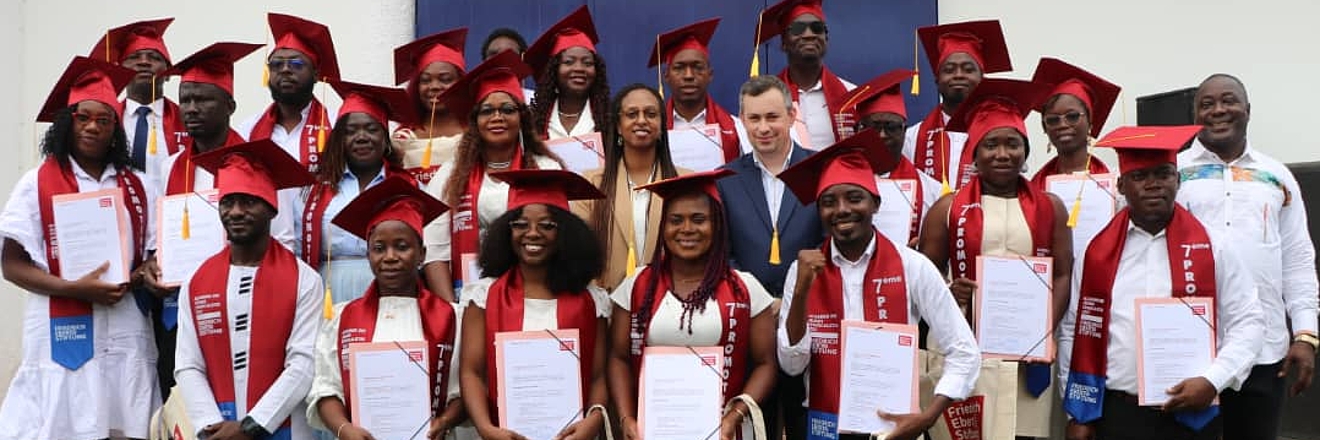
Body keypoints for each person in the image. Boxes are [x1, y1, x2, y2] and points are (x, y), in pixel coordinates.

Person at [1060, 125, 1266, 440]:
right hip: (1116, 415)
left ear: (1178, 180)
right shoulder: (1096, 252)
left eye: (1164, 174)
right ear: (1121, 186)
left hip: (1193, 413)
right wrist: (1076, 411)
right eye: (1140, 177)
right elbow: (1074, 329)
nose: (1153, 185)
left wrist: (1213, 380)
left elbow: (1248, 322)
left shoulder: (1214, 246)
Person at [776, 130, 981, 440]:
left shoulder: (912, 266)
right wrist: (803, 290)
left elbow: (965, 352)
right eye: (829, 202)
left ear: (876, 203)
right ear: (820, 212)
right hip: (824, 427)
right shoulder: (802, 271)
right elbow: (792, 364)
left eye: (854, 198)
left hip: (895, 430)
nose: (842, 209)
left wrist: (927, 417)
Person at [0, 57, 158, 439]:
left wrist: (140, 275)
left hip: (124, 321)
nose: (92, 127)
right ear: (66, 123)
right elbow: (11, 264)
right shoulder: (36, 182)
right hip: (59, 320)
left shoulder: (137, 185)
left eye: (104, 121)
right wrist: (75, 289)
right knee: (62, 422)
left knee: (124, 420)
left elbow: (154, 255)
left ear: (115, 129)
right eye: (82, 117)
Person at [917, 79, 1071, 439]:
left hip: (1027, 356)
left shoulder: (1051, 207)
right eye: (991, 145)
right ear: (974, 153)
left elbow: (1063, 274)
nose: (1003, 154)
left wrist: (1043, 326)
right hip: (962, 345)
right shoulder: (947, 208)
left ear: (1025, 150)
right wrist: (948, 294)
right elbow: (925, 276)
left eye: (1013, 144)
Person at [147, 41, 301, 398]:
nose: (191, 109)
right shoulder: (170, 167)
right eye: (185, 99)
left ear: (230, 106)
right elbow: (159, 242)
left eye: (203, 100)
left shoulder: (257, 161)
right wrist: (154, 269)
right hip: (182, 311)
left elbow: (285, 242)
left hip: (247, 309)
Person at [1176, 74, 1319, 439]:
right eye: (1206, 104)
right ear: (1194, 114)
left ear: (1248, 111)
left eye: (1228, 101)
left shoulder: (1277, 177)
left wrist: (1305, 334)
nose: (1218, 110)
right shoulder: (1172, 173)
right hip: (1191, 346)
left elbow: (1298, 260)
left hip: (1264, 351)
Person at [609, 170, 779, 440]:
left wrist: (735, 416)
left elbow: (766, 364)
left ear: (717, 226)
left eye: (699, 219)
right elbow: (617, 358)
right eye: (675, 220)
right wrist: (627, 418)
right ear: (663, 227)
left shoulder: (744, 288)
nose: (686, 229)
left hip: (722, 431)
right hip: (652, 430)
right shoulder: (636, 285)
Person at [175, 139, 322, 439]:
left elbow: (303, 365)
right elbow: (188, 365)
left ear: (270, 208)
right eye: (228, 202)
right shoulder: (197, 282)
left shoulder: (304, 280)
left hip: (285, 428)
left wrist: (249, 427)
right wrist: (209, 425)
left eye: (249, 201)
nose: (236, 212)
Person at [308, 176, 465, 440]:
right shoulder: (342, 316)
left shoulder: (452, 317)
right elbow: (326, 389)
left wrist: (445, 421)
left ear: (422, 254)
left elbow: (462, 391)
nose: (390, 257)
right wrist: (345, 429)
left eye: (402, 247)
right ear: (368, 254)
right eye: (379, 248)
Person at [459, 169, 611, 440]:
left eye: (547, 225)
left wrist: (595, 419)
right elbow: (471, 371)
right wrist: (485, 428)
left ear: (566, 233)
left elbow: (598, 376)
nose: (532, 233)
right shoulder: (483, 296)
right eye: (520, 224)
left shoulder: (591, 300)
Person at [717, 74, 820, 440]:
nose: (763, 128)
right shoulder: (725, 179)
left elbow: (827, 247)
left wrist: (790, 301)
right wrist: (760, 303)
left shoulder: (820, 171)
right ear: (742, 120)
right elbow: (721, 253)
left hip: (806, 324)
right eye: (754, 118)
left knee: (802, 425)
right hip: (749, 325)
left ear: (792, 116)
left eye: (772, 117)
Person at [422, 51, 564, 303]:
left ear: (521, 118)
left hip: (534, 297)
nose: (497, 117)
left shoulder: (545, 169)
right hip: (467, 294)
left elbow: (563, 240)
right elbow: (435, 250)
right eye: (487, 110)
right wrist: (453, 309)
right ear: (475, 121)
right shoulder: (450, 175)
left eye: (507, 109)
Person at [296, 80, 419, 310]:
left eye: (371, 129)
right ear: (339, 140)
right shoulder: (316, 191)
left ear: (385, 138)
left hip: (393, 285)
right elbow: (299, 248)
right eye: (350, 131)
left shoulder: (405, 186)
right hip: (329, 289)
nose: (361, 137)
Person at [575, 84, 685, 291]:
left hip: (669, 305)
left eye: (651, 114)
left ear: (662, 125)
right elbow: (579, 254)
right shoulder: (590, 183)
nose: (641, 120)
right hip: (608, 305)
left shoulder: (686, 181)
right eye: (632, 114)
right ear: (618, 125)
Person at [838, 68, 942, 246]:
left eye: (891, 127)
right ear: (858, 131)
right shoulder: (839, 185)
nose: (883, 135)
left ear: (904, 131)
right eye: (874, 127)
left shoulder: (933, 191)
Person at [908, 20, 1012, 192]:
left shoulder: (1003, 133)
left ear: (982, 80)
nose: (958, 75)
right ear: (937, 80)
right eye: (949, 70)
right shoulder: (913, 137)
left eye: (968, 69)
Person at [238, 13, 342, 174]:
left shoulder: (336, 124)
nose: (285, 69)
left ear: (315, 74)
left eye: (296, 63)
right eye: (277, 64)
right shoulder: (248, 129)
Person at [90, 18, 186, 189]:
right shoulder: (104, 120)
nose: (144, 62)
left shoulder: (187, 121)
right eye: (134, 57)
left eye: (154, 57)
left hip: (174, 212)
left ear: (169, 72)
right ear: (120, 70)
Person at [753, 0, 856, 150]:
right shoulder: (765, 97)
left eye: (817, 28)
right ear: (783, 42)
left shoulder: (852, 96)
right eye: (798, 29)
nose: (809, 35)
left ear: (826, 39)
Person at [649, 18, 742, 162]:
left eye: (697, 67)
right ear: (666, 76)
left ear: (710, 75)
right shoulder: (651, 128)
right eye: (679, 68)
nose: (689, 75)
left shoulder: (736, 129)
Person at [1028, 57, 1119, 190]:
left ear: (1090, 122)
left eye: (1072, 116)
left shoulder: (1115, 183)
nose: (1062, 124)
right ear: (1045, 128)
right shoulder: (1036, 187)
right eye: (1053, 119)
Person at [392, 28, 469, 185]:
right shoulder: (402, 139)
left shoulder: (474, 133)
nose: (434, 86)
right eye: (426, 80)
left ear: (461, 84)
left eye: (445, 79)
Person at [525, 6, 611, 140]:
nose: (579, 68)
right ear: (554, 70)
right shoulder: (534, 119)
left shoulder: (609, 117)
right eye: (569, 62)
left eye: (587, 63)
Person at [479, 28, 535, 100]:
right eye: (494, 54)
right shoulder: (471, 104)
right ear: (484, 62)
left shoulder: (538, 103)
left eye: (508, 54)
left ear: (522, 60)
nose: (501, 59)